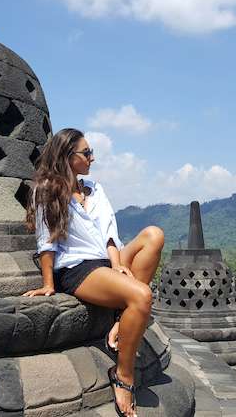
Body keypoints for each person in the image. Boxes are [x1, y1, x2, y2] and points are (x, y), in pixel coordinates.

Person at [22, 128, 164, 417]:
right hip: (77, 268)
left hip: (104, 260)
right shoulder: (47, 189)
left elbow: (110, 234)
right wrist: (48, 283)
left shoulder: (95, 189)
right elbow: (45, 240)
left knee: (154, 234)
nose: (92, 157)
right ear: (67, 157)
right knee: (142, 295)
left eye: (91, 152)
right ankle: (123, 376)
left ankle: (124, 319)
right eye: (86, 153)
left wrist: (117, 266)